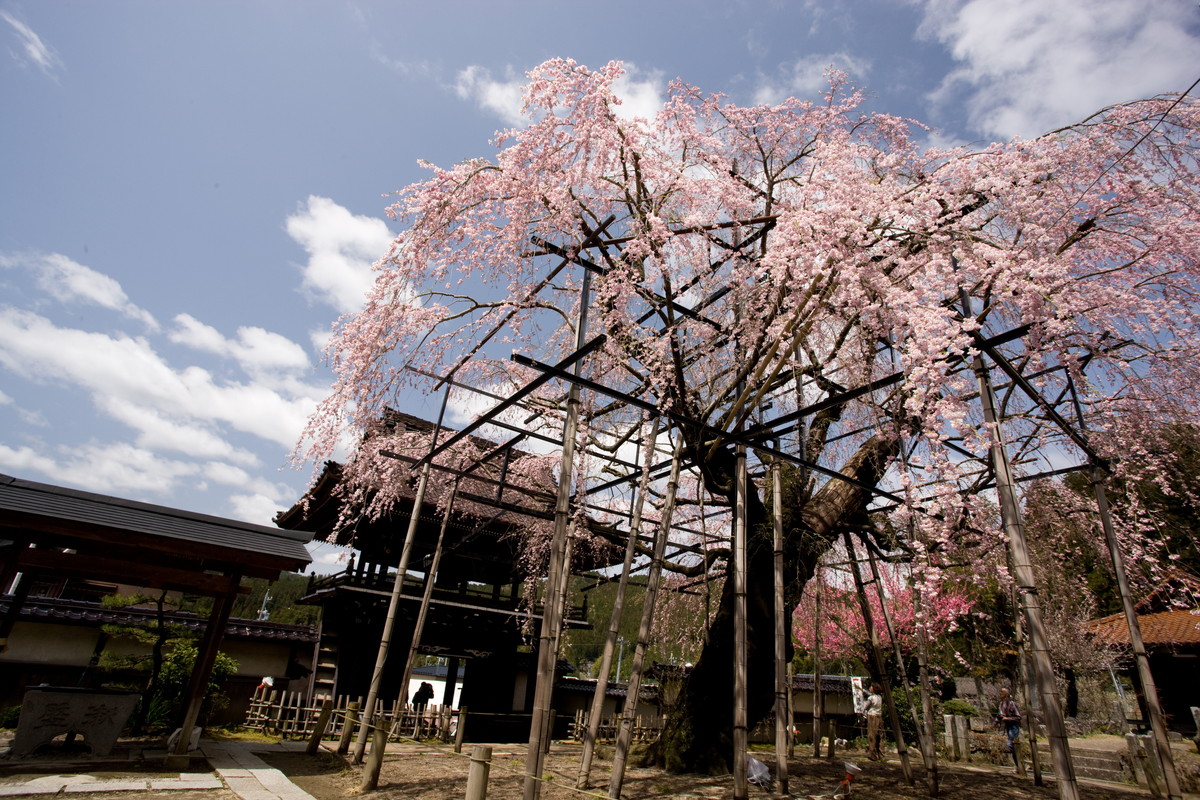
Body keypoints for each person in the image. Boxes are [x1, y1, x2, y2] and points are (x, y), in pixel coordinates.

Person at [997, 687, 1022, 768]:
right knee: (1011, 745)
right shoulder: (1001, 704)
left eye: (1003, 692)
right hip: (1007, 726)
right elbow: (999, 715)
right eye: (1001, 691)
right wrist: (994, 723)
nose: (1001, 693)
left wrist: (1008, 718)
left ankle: (1021, 764)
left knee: (1011, 744)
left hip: (1013, 725)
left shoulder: (1011, 704)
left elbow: (1018, 717)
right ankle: (1019, 765)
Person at [861, 682, 884, 761]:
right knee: (879, 735)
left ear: (874, 689)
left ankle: (872, 755)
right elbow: (868, 693)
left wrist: (862, 712)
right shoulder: (879, 697)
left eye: (871, 687)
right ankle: (881, 754)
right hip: (879, 716)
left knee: (872, 735)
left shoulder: (871, 698)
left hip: (872, 716)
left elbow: (865, 706)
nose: (870, 688)